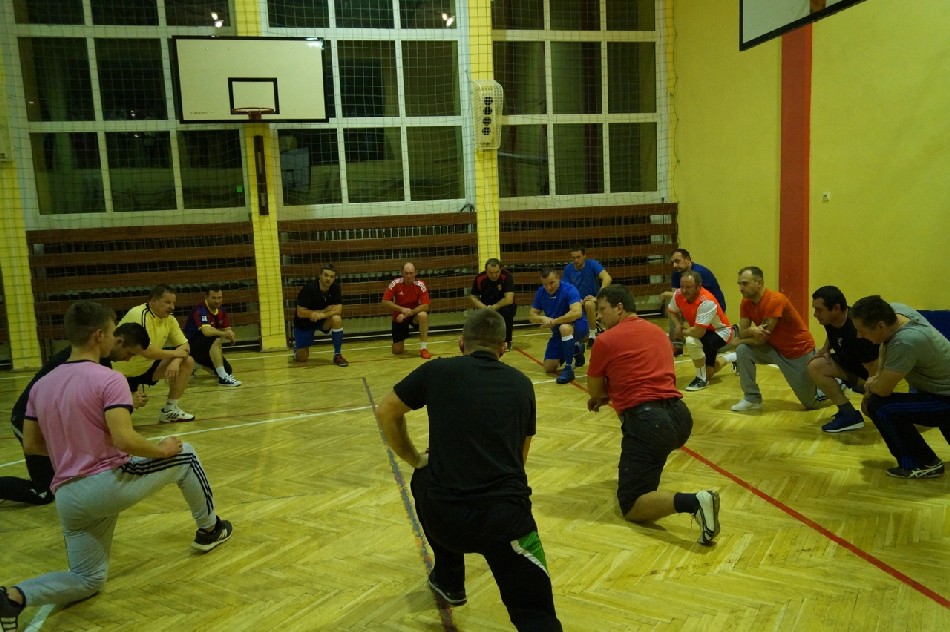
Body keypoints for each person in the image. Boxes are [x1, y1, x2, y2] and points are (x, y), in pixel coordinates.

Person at [0, 301, 232, 632]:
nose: (114, 338)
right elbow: (124, 439)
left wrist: (76, 449)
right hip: (105, 484)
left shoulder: (41, 385)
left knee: (88, 579)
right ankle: (210, 530)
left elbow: (32, 445)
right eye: (111, 332)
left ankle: (13, 598)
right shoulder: (109, 379)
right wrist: (161, 450)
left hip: (68, 498)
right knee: (186, 454)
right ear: (99, 336)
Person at [376, 309, 562, 630]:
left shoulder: (437, 370)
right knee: (536, 616)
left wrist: (415, 458)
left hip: (445, 520)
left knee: (424, 475)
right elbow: (520, 458)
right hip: (506, 523)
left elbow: (386, 411)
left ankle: (449, 578)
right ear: (503, 347)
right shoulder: (522, 384)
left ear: (461, 342)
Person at [586, 285, 720, 545]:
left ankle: (695, 502)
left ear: (619, 308)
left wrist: (605, 395)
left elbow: (595, 390)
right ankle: (658, 492)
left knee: (631, 504)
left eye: (602, 309)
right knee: (647, 470)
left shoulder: (605, 340)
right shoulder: (658, 332)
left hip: (648, 423)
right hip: (679, 417)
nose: (599, 316)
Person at [0, 323, 149, 506]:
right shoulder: (83, 362)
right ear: (117, 341)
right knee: (43, 492)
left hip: (53, 420)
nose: (127, 359)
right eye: (130, 353)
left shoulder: (95, 361)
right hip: (28, 419)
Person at [851, 296, 950, 479]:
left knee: (880, 407)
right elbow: (885, 343)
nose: (859, 336)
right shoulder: (895, 312)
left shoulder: (906, 341)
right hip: (939, 392)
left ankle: (924, 463)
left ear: (880, 325)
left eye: (861, 331)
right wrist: (877, 376)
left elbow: (883, 390)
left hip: (945, 399)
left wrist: (870, 386)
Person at [726, 267, 821, 412]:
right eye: (739, 284)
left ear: (759, 283)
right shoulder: (746, 302)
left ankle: (839, 383)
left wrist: (738, 341)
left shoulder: (774, 300)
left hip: (797, 351)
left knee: (811, 403)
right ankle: (752, 399)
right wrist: (751, 331)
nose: (741, 288)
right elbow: (744, 332)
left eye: (745, 284)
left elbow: (760, 340)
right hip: (774, 348)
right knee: (743, 350)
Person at [111, 285, 197, 423]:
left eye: (173, 303)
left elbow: (184, 345)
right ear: (153, 301)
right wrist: (176, 354)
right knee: (117, 419)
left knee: (187, 362)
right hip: (121, 373)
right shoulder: (139, 314)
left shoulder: (169, 319)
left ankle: (170, 410)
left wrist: (176, 361)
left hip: (146, 368)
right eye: (167, 302)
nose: (172, 307)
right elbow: (147, 351)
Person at [807, 286, 879, 433]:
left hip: (869, 374)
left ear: (836, 308)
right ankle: (848, 414)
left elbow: (874, 369)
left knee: (872, 409)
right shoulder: (830, 320)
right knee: (815, 366)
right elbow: (833, 333)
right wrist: (826, 348)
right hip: (849, 365)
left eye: (819, 310)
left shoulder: (858, 330)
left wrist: (868, 396)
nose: (815, 314)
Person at [666, 270, 734, 391]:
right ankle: (735, 357)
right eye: (682, 286)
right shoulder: (678, 294)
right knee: (710, 372)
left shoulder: (706, 301)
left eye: (688, 287)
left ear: (698, 287)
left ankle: (701, 379)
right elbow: (671, 311)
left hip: (720, 332)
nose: (684, 290)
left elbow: (698, 333)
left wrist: (682, 332)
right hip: (703, 332)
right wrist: (677, 325)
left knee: (692, 341)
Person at [529, 268, 589, 385]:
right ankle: (576, 350)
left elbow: (576, 313)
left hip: (578, 326)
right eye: (545, 284)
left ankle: (568, 368)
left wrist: (555, 321)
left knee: (564, 328)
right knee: (549, 367)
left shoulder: (570, 289)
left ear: (558, 278)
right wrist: (542, 318)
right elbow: (532, 315)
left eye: (551, 283)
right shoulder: (541, 292)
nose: (548, 287)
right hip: (558, 332)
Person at [660, 249, 726, 355]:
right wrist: (677, 324)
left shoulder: (701, 273)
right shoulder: (677, 273)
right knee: (672, 306)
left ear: (687, 260)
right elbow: (678, 296)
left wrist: (685, 332)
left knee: (712, 347)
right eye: (673, 262)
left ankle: (731, 335)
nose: (674, 265)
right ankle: (676, 345)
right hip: (693, 305)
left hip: (712, 309)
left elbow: (698, 297)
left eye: (677, 261)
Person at [184, 285, 242, 386]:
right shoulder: (200, 310)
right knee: (215, 339)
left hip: (206, 347)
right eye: (214, 298)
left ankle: (196, 364)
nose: (217, 301)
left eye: (219, 297)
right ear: (206, 297)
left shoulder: (222, 311)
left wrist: (230, 334)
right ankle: (223, 378)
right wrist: (225, 334)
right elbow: (207, 332)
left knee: (228, 370)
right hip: (192, 346)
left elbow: (227, 329)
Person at [293, 264, 348, 367]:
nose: (328, 279)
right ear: (320, 275)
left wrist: (322, 315)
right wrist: (322, 311)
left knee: (337, 319)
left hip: (322, 320)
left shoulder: (335, 287)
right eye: (326, 275)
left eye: (331, 276)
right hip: (304, 323)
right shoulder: (308, 289)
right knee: (302, 358)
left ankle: (337, 354)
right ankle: (296, 348)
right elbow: (300, 313)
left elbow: (338, 310)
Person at [382, 262, 432, 360]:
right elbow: (384, 301)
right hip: (399, 316)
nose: (409, 276)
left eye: (411, 273)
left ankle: (423, 348)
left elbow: (426, 306)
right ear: (402, 273)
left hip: (413, 314)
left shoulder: (420, 284)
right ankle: (397, 342)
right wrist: (402, 310)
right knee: (397, 351)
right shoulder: (395, 283)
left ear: (415, 273)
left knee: (423, 315)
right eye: (406, 273)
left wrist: (410, 312)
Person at [561, 246, 611, 344]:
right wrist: (577, 300)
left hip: (592, 300)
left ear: (584, 256)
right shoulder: (568, 269)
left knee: (589, 304)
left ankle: (592, 335)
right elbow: (565, 289)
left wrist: (598, 297)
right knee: (579, 337)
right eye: (573, 258)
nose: (576, 260)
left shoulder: (592, 264)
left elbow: (607, 278)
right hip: (576, 302)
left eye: (578, 257)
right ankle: (591, 326)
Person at [470, 258, 516, 351]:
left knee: (506, 312)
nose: (494, 275)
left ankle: (507, 341)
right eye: (491, 273)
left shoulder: (507, 276)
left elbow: (509, 299)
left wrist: (495, 306)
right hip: (486, 305)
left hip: (503, 305)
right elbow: (473, 297)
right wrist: (484, 307)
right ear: (486, 271)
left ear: (500, 269)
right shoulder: (479, 278)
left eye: (497, 272)